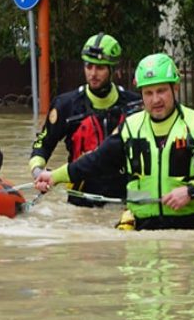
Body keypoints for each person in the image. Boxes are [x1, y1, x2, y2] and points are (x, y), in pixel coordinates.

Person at [35, 53, 194, 230]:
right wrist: (54, 176)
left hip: (192, 229)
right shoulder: (130, 127)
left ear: (175, 88)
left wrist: (192, 191)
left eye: (161, 91)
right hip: (142, 231)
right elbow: (96, 161)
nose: (155, 100)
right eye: (148, 93)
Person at [30, 33, 141, 206]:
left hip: (125, 198)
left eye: (100, 68)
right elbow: (42, 144)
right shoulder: (65, 105)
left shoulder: (134, 105)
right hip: (80, 199)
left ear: (113, 69)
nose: (93, 73)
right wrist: (38, 172)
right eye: (88, 66)